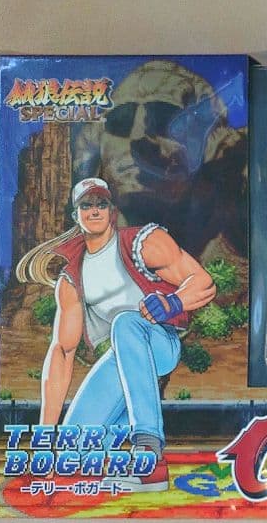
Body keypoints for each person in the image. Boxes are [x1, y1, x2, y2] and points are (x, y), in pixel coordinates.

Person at [17, 177, 215, 491]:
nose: (94, 210)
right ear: (76, 215)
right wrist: (44, 437)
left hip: (159, 343)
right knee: (73, 449)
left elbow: (203, 282)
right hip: (123, 358)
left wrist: (172, 302)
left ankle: (149, 454)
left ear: (113, 211)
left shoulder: (144, 243)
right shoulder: (71, 281)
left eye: (101, 204)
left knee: (125, 323)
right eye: (86, 205)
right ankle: (120, 462)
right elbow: (62, 353)